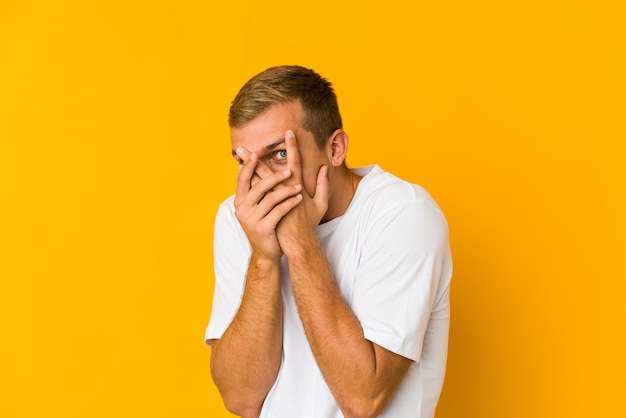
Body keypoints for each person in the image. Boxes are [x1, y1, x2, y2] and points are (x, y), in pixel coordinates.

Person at [205, 65, 452, 418]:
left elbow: (362, 398)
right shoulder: (239, 217)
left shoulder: (403, 214)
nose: (261, 182)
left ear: (335, 148)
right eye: (245, 162)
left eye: (279, 155)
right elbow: (240, 398)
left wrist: (300, 243)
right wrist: (263, 258)